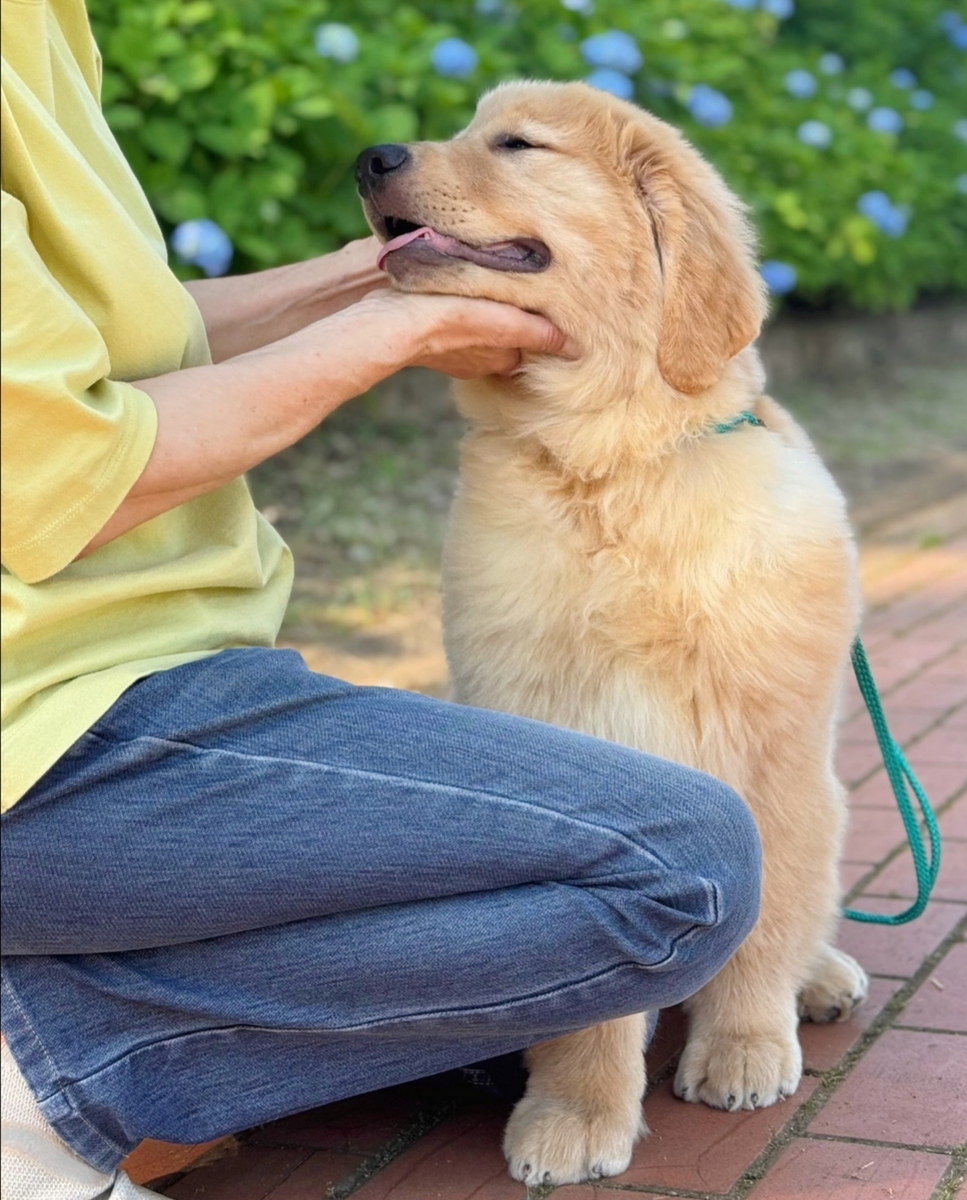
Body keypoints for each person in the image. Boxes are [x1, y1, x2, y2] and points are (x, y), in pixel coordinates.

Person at [0, 4, 763, 1198]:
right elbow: (57, 477)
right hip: (45, 737)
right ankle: (52, 1050)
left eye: (514, 148)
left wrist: (370, 275)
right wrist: (403, 326)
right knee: (683, 870)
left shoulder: (44, 25)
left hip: (181, 675)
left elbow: (107, 349)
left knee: (515, 920)